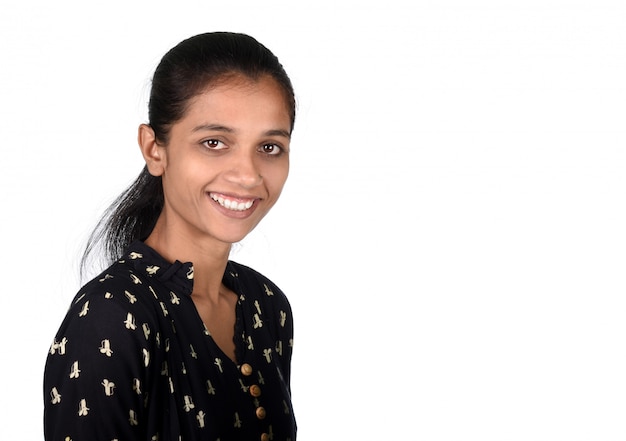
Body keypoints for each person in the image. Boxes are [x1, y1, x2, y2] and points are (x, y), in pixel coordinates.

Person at [43, 32, 297, 441]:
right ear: (154, 149)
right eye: (214, 142)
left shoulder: (266, 306)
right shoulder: (112, 317)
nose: (248, 175)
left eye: (269, 147)